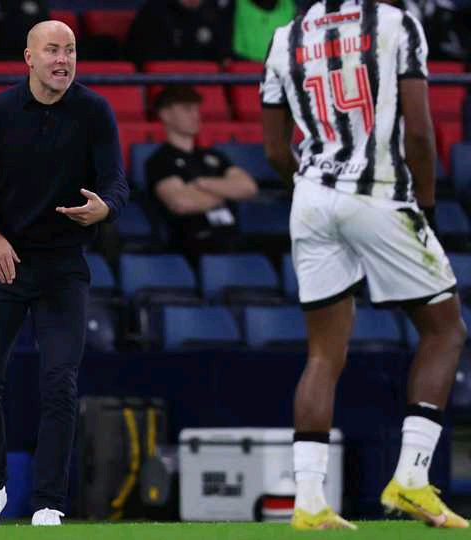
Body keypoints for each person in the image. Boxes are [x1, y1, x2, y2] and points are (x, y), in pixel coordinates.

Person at [262, 0, 468, 529]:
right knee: (445, 330)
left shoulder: (286, 37)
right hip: (378, 193)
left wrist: (310, 187)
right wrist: (425, 205)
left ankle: (309, 501)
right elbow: (419, 132)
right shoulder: (397, 24)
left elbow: (274, 150)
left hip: (311, 198)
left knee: (323, 354)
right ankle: (412, 479)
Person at [0, 20, 129, 527]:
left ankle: (48, 502)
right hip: (3, 261)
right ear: (29, 57)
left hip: (63, 267)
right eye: (52, 50)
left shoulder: (94, 111)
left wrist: (105, 209)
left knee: (59, 383)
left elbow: (116, 183)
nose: (62, 60)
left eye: (69, 50)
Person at [146, 85, 257, 259]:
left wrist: (200, 184)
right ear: (165, 114)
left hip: (232, 240)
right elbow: (181, 203)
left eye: (196, 109)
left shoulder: (214, 155)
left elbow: (248, 188)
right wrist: (227, 193)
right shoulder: (160, 160)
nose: (195, 115)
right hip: (193, 245)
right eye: (187, 109)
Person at [125, 0, 233, 64]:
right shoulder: (154, 12)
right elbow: (144, 58)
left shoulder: (213, 14)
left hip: (205, 86)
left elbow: (222, 55)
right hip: (166, 86)